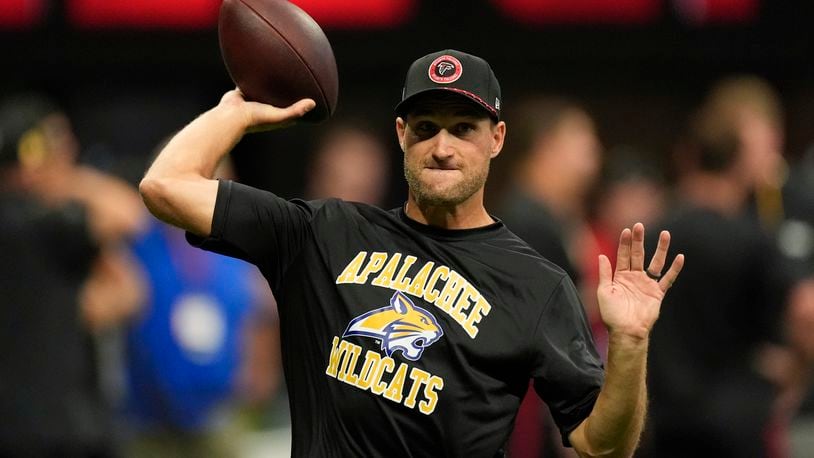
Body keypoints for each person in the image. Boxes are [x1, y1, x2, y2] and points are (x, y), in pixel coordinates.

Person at [139, 49, 684, 457]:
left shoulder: (536, 285)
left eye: (463, 129)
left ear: (496, 139)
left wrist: (631, 344)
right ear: (401, 135)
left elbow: (603, 446)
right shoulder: (323, 232)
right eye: (426, 128)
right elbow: (165, 185)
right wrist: (237, 112)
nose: (442, 148)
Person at [638, 102, 794, 457]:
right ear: (740, 160)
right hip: (736, 427)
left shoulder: (651, 234)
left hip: (664, 425)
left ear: (690, 156)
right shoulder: (752, 241)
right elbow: (789, 326)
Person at [0, 93, 144, 457]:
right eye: (58, 147)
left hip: (68, 426)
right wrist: (67, 180)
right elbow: (128, 213)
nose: (69, 154)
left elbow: (128, 294)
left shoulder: (45, 237)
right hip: (40, 434)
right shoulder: (25, 222)